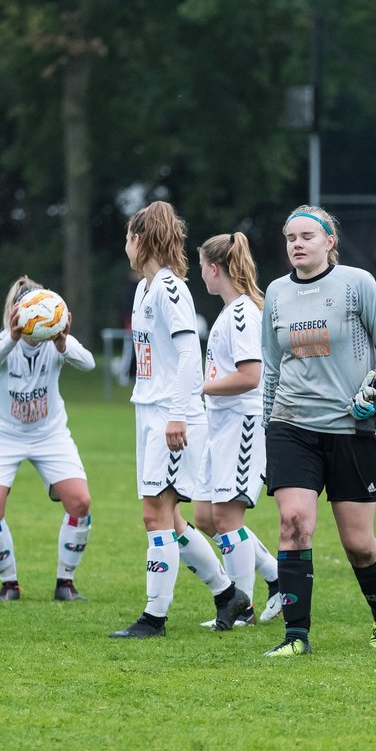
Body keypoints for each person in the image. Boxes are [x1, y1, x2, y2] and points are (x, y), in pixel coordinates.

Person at [260, 205, 376, 657]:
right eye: (290, 237)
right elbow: (270, 367)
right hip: (291, 425)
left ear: (330, 243)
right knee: (294, 523)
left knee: (359, 545)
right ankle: (296, 636)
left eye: (307, 236)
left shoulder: (356, 284)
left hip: (350, 428)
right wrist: (268, 428)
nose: (297, 244)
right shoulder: (277, 293)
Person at [110, 201, 250, 639]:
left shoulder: (172, 289)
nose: (125, 246)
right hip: (150, 412)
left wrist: (176, 414)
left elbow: (191, 353)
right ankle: (228, 594)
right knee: (169, 520)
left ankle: (155, 618)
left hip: (176, 417)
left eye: (129, 237)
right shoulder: (143, 290)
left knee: (155, 515)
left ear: (142, 239)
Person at [0, 277, 95, 602]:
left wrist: (63, 343)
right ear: (16, 312)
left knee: (80, 502)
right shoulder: (3, 343)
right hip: (1, 435)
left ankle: (65, 583)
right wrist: (12, 337)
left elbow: (89, 364)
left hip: (49, 433)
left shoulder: (55, 344)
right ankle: (9, 584)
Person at [192, 231, 282, 626]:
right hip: (220, 424)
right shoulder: (229, 312)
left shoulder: (244, 313)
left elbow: (250, 376)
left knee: (228, 519)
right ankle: (276, 578)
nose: (200, 277)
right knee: (206, 518)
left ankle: (240, 609)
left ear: (214, 269)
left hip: (243, 424)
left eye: (201, 268)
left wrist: (200, 387)